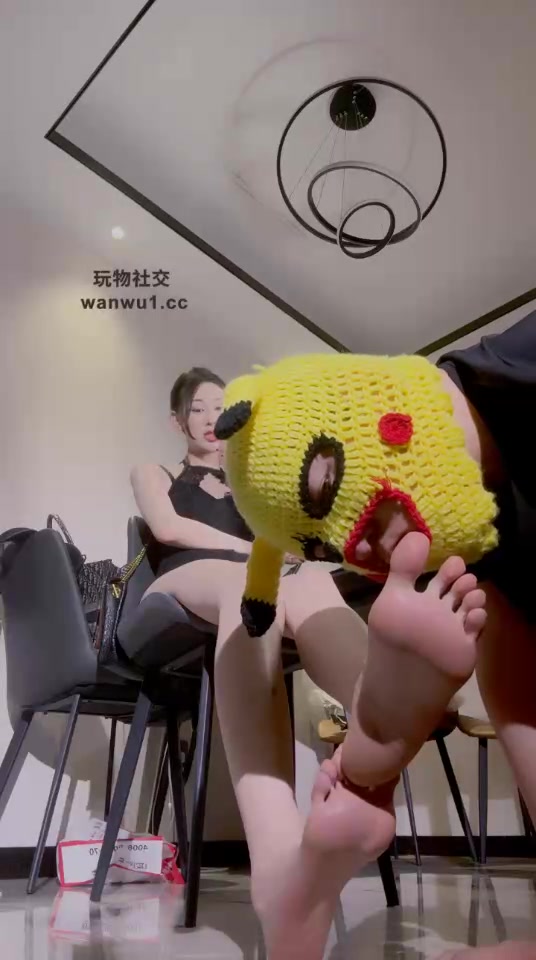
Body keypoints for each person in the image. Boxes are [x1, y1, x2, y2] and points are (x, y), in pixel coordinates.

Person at [130, 311, 535, 960]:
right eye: (198, 409)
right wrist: (256, 547)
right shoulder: (156, 472)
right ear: (180, 422)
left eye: (217, 404)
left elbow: (306, 535)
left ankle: (378, 727)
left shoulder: (260, 477)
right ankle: (278, 853)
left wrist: (288, 549)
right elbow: (168, 530)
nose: (209, 417)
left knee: (311, 582)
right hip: (178, 579)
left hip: (265, 571)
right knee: (246, 586)